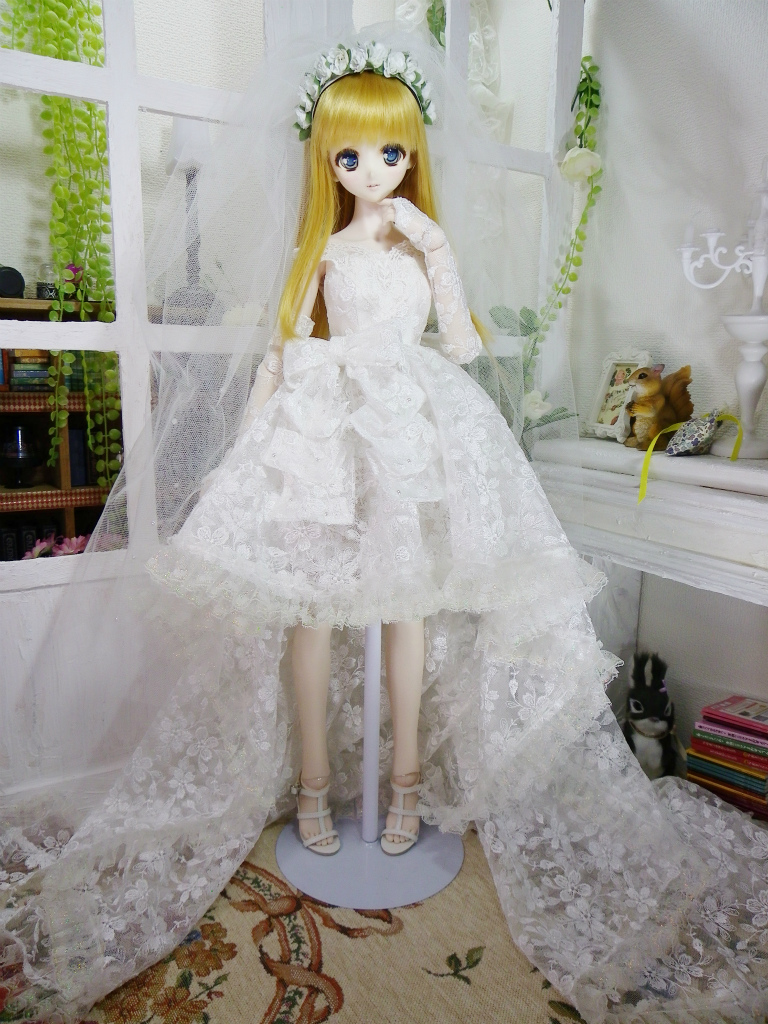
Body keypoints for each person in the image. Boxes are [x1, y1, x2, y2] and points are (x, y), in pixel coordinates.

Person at [4, 26, 768, 1024]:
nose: (373, 171)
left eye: (392, 152)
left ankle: (405, 782)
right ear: (328, 160)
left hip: (410, 427)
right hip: (324, 434)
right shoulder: (321, 250)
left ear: (414, 155)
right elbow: (283, 350)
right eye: (352, 156)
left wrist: (437, 249)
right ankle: (314, 783)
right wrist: (253, 446)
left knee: (410, 608)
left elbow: (460, 343)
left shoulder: (419, 244)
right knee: (310, 613)